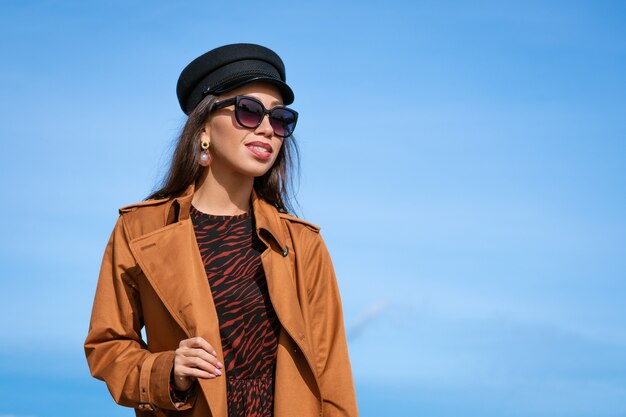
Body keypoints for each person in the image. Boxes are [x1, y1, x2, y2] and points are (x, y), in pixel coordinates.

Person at [84, 43, 358, 417]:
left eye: (280, 120)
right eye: (249, 111)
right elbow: (107, 346)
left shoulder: (303, 245)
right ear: (204, 128)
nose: (267, 129)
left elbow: (333, 378)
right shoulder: (138, 229)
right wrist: (167, 371)